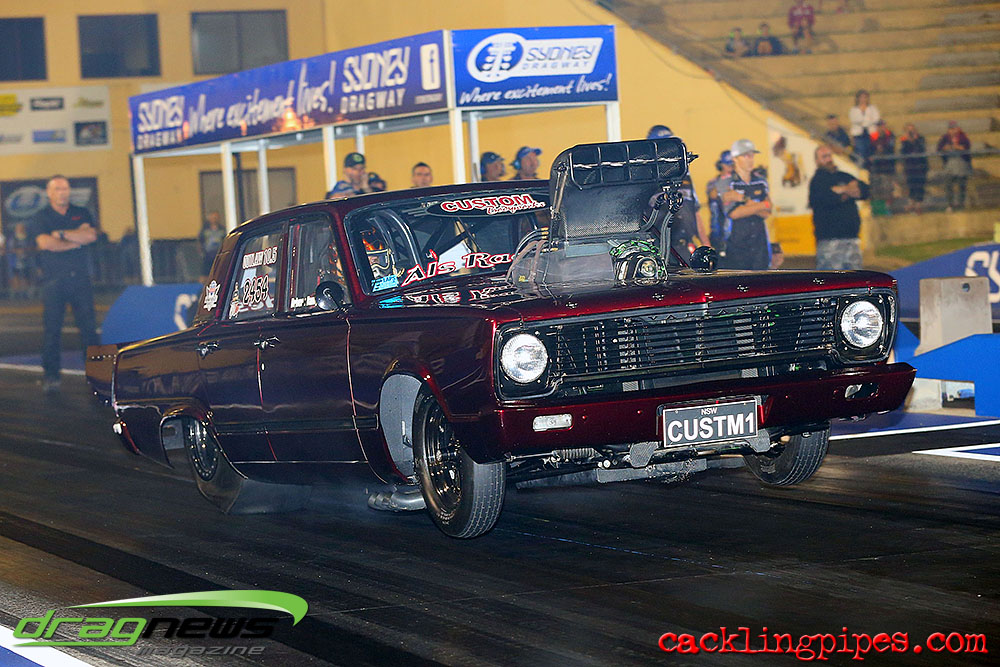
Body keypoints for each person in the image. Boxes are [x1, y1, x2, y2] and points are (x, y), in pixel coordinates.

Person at [31, 175, 100, 393]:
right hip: (54, 281)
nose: (63, 192)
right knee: (52, 330)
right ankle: (51, 376)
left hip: (80, 279)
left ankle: (97, 376)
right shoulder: (41, 217)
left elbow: (90, 236)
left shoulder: (82, 212)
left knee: (89, 329)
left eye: (66, 188)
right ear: (49, 192)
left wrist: (60, 235)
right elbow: (45, 243)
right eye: (58, 189)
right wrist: (75, 240)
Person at [808, 145, 870, 270]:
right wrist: (848, 190)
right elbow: (825, 198)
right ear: (817, 161)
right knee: (832, 279)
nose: (828, 159)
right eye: (824, 157)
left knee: (855, 278)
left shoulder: (844, 176)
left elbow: (865, 190)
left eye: (829, 155)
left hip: (852, 239)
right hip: (829, 242)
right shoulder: (817, 181)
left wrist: (842, 190)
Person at [717, 139, 774, 270]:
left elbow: (767, 211)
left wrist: (742, 199)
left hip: (759, 245)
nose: (750, 160)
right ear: (735, 159)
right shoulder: (726, 182)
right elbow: (734, 213)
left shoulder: (761, 181)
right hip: (736, 245)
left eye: (752, 156)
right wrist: (761, 205)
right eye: (746, 156)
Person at [937, 120, 972, 211]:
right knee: (948, 184)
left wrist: (958, 147)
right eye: (951, 129)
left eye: (954, 128)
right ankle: (950, 204)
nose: (953, 130)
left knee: (961, 185)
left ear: (958, 129)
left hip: (961, 164)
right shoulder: (945, 138)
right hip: (949, 165)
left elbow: (967, 147)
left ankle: (961, 204)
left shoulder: (963, 137)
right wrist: (945, 148)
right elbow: (939, 148)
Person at [706, 150, 735, 254]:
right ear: (721, 165)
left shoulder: (736, 181)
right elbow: (713, 195)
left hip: (735, 233)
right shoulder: (714, 182)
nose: (731, 168)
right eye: (728, 165)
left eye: (732, 165)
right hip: (718, 230)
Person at [868, 120, 896, 213]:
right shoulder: (873, 137)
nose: (880, 128)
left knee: (887, 188)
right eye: (879, 126)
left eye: (882, 126)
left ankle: (888, 208)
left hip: (888, 167)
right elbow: (870, 149)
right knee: (877, 189)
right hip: (877, 168)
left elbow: (891, 148)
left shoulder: (890, 136)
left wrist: (882, 150)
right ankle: (880, 209)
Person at [899, 123, 929, 213]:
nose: (911, 132)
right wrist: (908, 140)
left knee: (920, 186)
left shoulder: (921, 139)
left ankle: (919, 204)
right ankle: (911, 203)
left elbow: (922, 149)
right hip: (910, 167)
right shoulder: (904, 141)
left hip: (920, 167)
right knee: (911, 185)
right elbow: (903, 152)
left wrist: (915, 140)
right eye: (909, 130)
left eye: (912, 130)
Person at [848, 89, 880, 167]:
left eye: (865, 97)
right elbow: (856, 119)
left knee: (871, 154)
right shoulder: (853, 110)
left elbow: (876, 119)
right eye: (861, 97)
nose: (863, 99)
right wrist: (868, 120)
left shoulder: (872, 109)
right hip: (859, 135)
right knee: (860, 153)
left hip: (871, 134)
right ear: (858, 99)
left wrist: (864, 122)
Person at [198, 210, 225, 278]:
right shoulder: (205, 230)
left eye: (216, 217)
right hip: (207, 255)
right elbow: (200, 241)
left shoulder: (222, 229)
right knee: (205, 274)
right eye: (213, 217)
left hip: (218, 255)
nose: (214, 219)